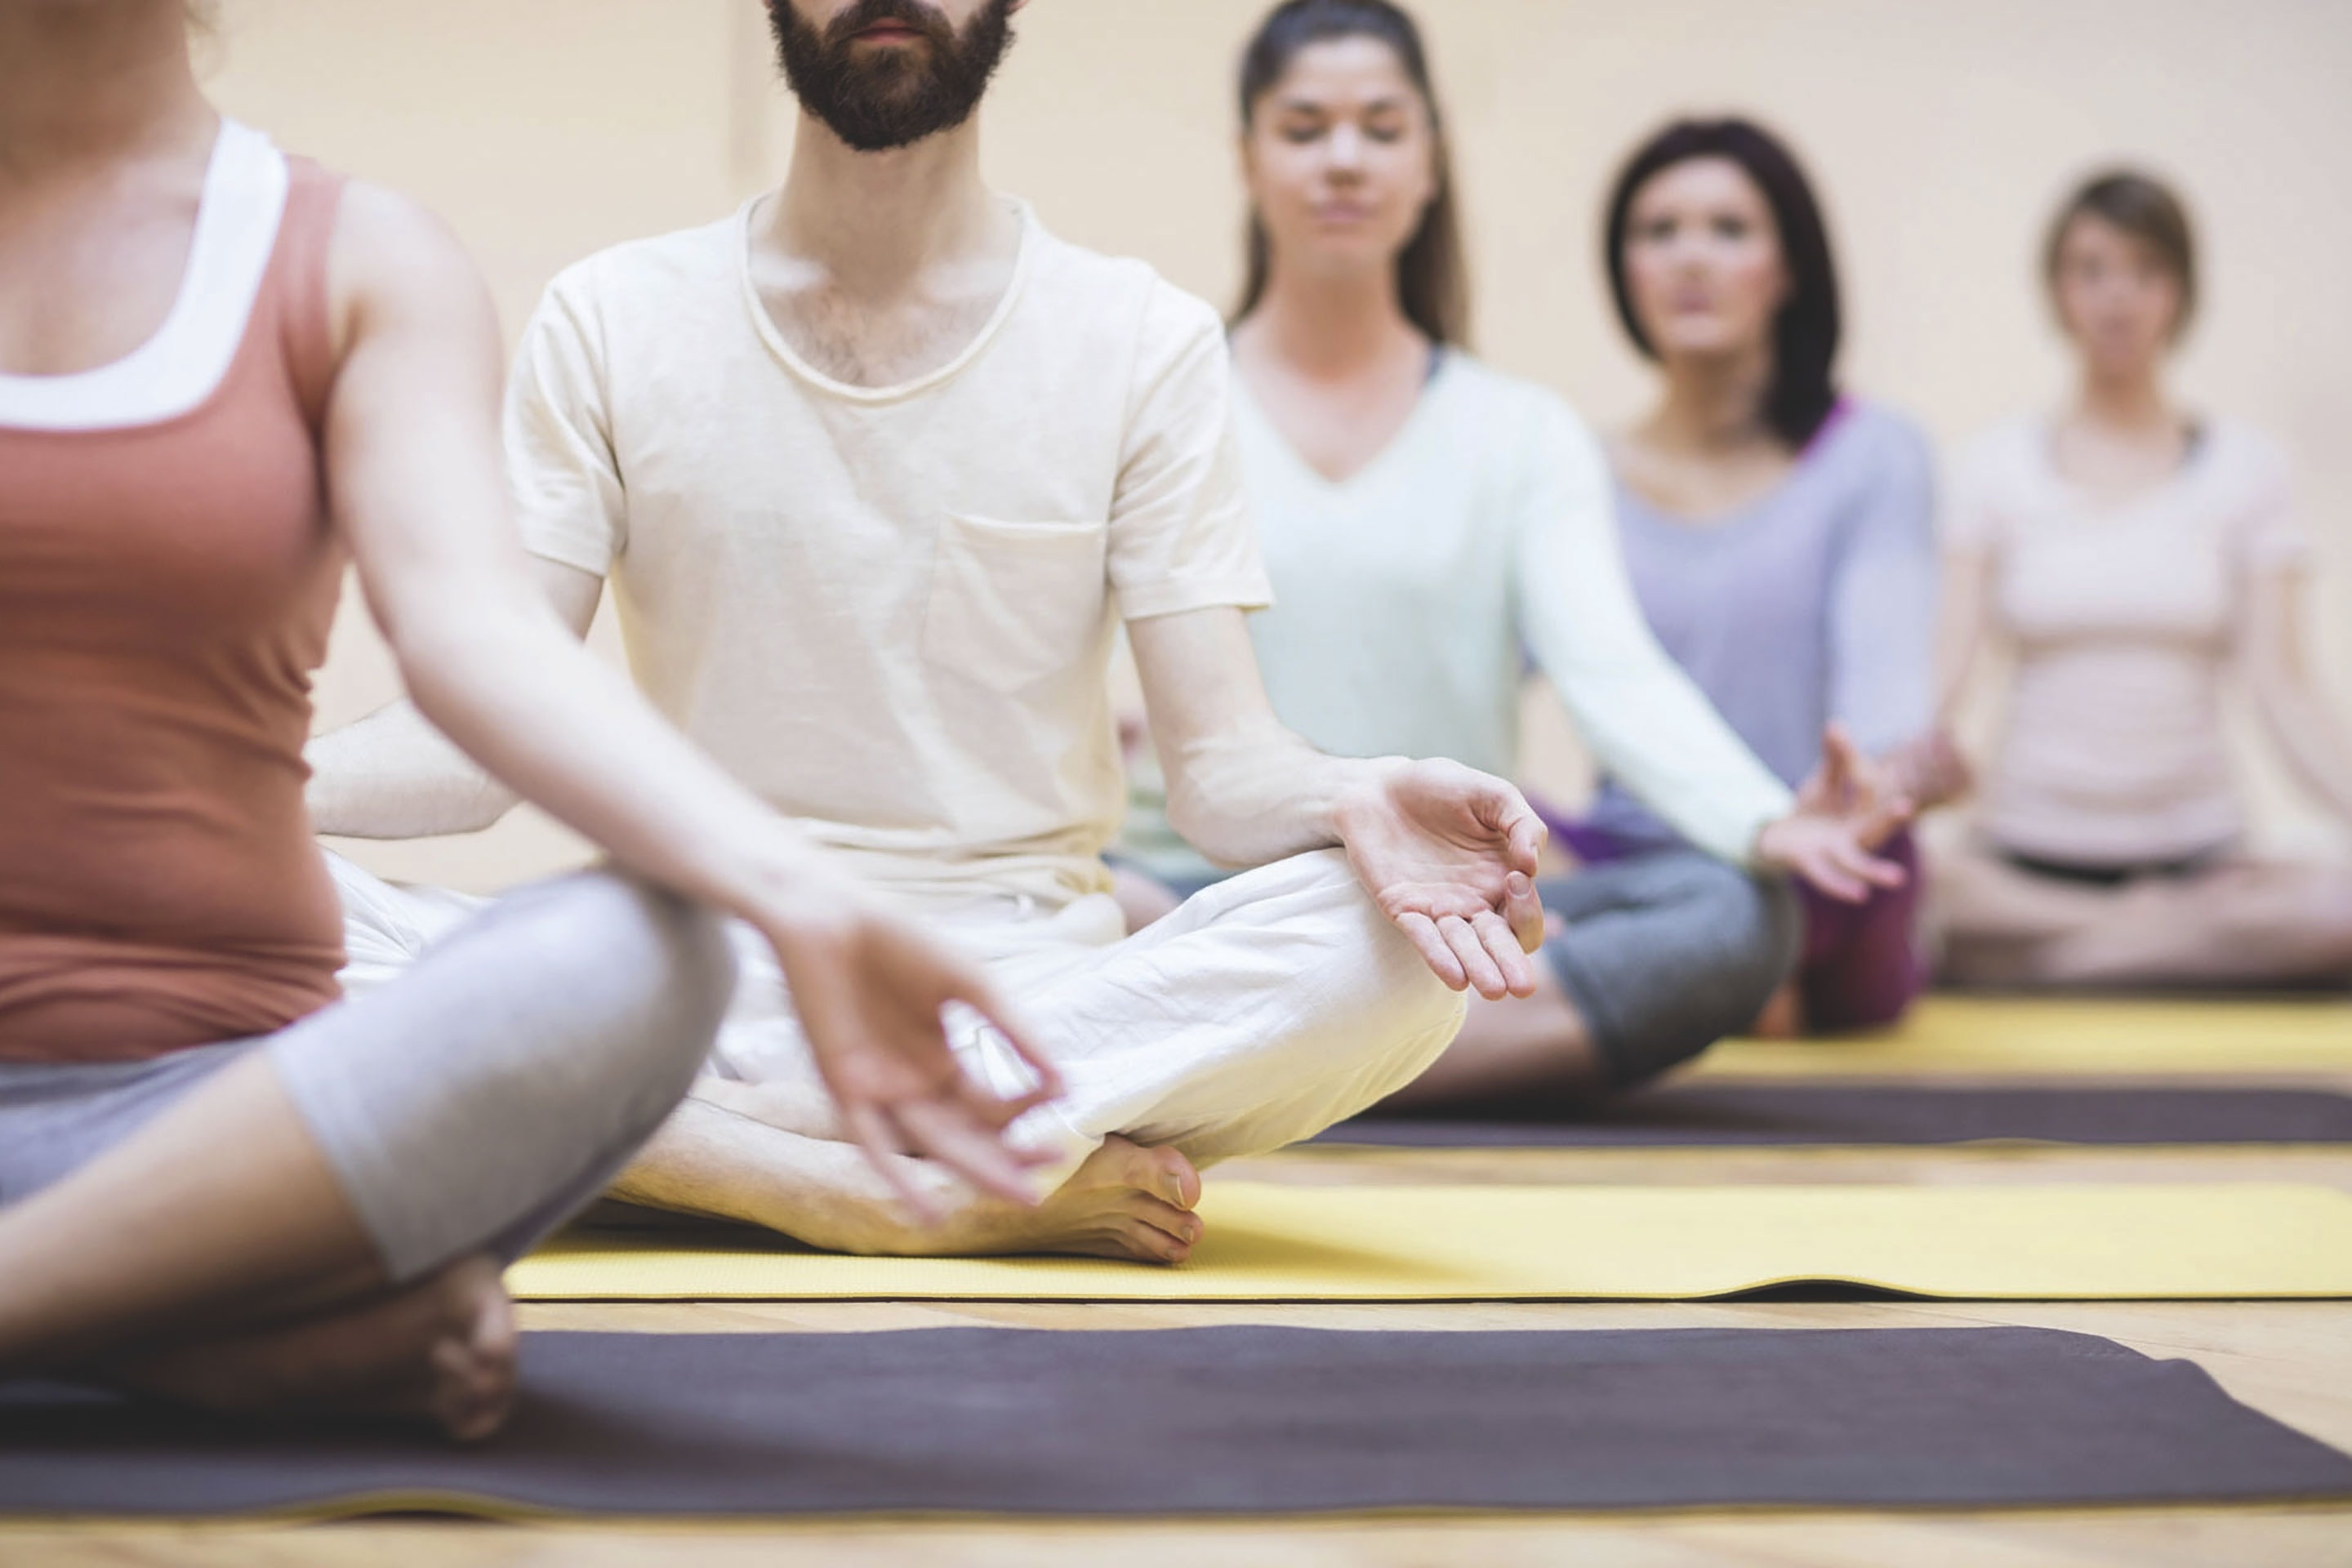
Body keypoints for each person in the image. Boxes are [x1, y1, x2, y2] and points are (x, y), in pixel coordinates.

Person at [307, 0, 1552, 1264]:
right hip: (677, 979)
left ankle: (692, 1142)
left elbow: (1222, 773)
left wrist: (1362, 795)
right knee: (242, 917)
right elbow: (475, 740)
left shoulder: (1141, 337)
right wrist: (212, 788)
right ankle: (825, 1172)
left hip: (1008, 998)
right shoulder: (611, 314)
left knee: (1402, 951)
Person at [0, 0, 1070, 1440]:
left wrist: (805, 901)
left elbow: (479, 640)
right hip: (227, 1212)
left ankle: (96, 1309)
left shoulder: (355, 260)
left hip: (239, 1130)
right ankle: (171, 1329)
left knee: (645, 951)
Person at [1116, 1, 1911, 1109]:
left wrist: (1760, 817)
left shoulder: (1521, 430)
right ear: (1249, 158)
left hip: (1452, 905)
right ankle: (1356, 1056)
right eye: (1305, 128)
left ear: (1430, 162)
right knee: (1069, 897)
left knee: (1738, 914)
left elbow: (1612, 670)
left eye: (1382, 128)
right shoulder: (1161, 394)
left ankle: (1267, 1065)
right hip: (1201, 892)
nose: (1344, 159)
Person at [1553, 117, 1967, 1036]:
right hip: (1633, 856)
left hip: (1817, 855)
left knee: (1856, 857)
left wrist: (1895, 778)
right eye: (1658, 232)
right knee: (1467, 835)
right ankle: (1718, 972)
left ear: (1788, 269)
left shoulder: (1874, 455)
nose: (1689, 258)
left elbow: (1881, 708)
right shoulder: (1570, 469)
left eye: (1729, 230)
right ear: (1625, 271)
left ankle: (1713, 965)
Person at [1931, 170, 2352, 987]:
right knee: (1917, 896)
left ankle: (2068, 959)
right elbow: (1943, 675)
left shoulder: (2248, 470)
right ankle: (2139, 942)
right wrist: (1878, 797)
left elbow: (2285, 690)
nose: (2117, 298)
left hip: (2202, 864)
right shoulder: (1991, 468)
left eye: (2145, 271)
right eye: (2092, 270)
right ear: (2058, 292)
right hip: (2020, 866)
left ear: (2180, 293)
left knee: (2335, 905)